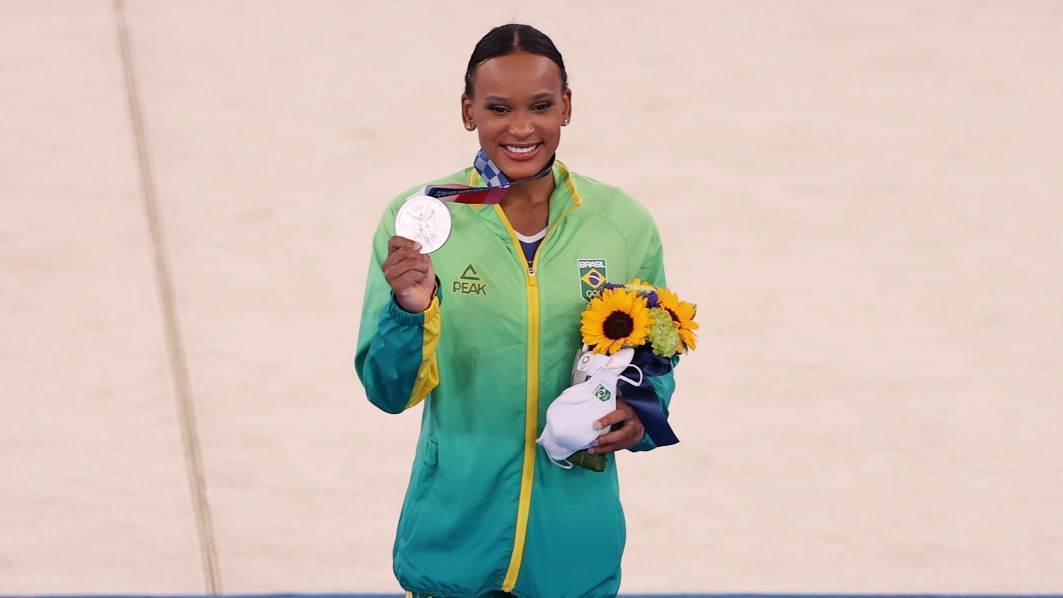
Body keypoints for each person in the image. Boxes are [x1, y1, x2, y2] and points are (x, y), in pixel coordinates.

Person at [355, 23, 677, 598]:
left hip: (575, 553)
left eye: (542, 106)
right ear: (468, 110)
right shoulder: (419, 223)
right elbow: (388, 391)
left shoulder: (623, 225)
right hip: (453, 544)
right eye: (499, 108)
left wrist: (642, 416)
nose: (522, 128)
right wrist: (410, 310)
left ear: (568, 108)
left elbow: (654, 355)